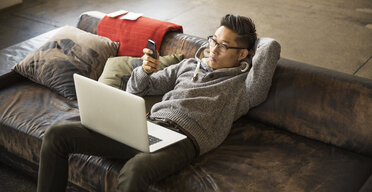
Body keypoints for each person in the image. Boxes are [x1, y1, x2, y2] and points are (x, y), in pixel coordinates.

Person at [37, 14, 281, 192]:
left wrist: (252, 44)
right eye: (213, 40)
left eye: (224, 46)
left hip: (184, 141)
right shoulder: (187, 66)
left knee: (134, 171)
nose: (213, 49)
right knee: (57, 135)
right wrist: (144, 70)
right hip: (146, 126)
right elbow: (137, 89)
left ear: (242, 54)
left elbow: (271, 46)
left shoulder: (244, 87)